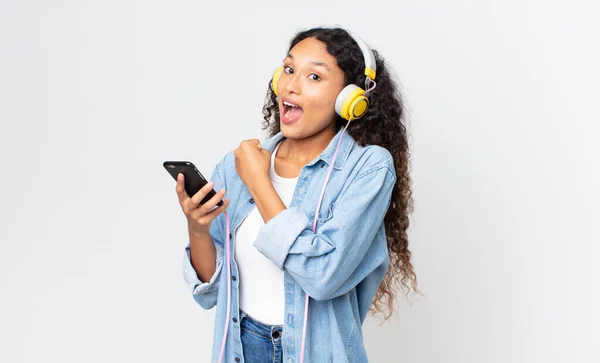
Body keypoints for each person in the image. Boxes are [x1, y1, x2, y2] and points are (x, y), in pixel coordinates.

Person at [176, 26, 419, 363]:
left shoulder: (368, 170)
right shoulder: (239, 165)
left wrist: (260, 183)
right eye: (289, 70)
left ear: (350, 100)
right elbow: (212, 292)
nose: (291, 85)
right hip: (240, 349)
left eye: (314, 77)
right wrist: (198, 228)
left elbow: (322, 277)